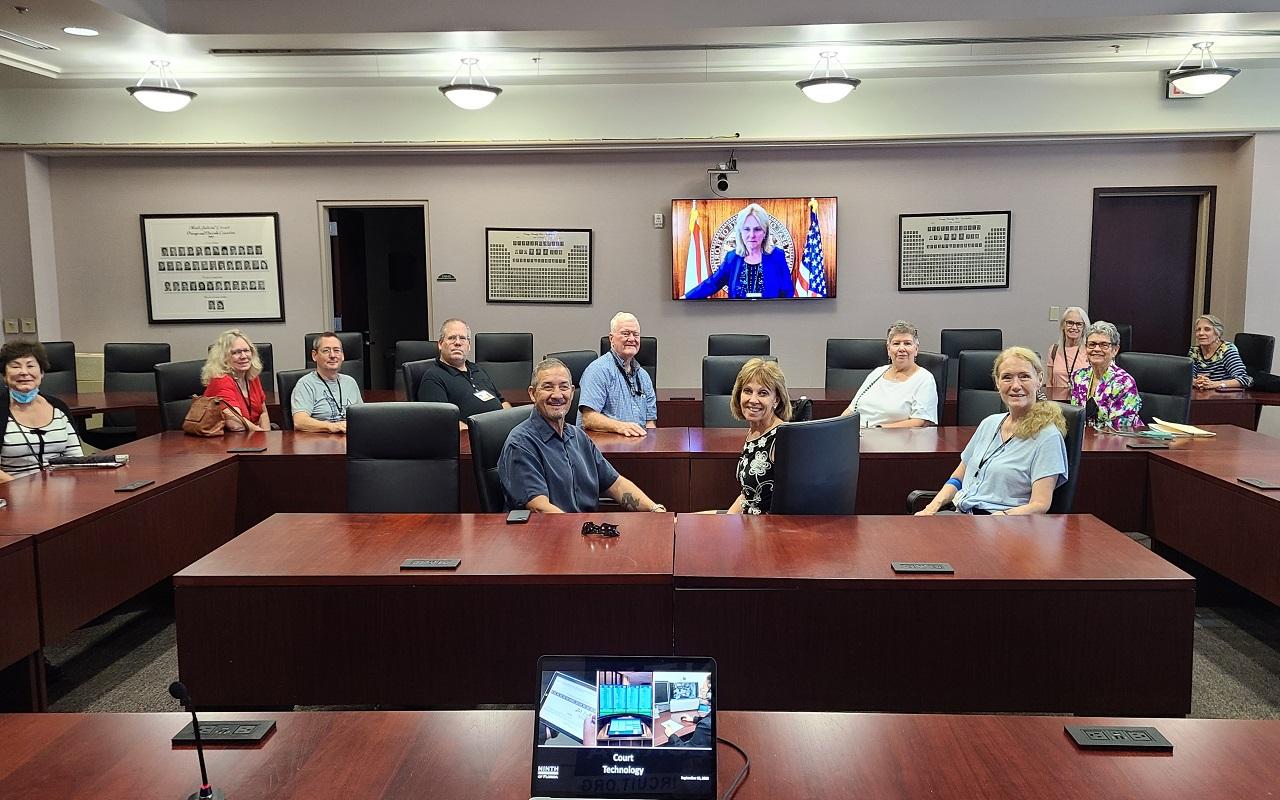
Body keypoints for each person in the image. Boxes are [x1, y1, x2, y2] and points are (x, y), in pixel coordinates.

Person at [499, 358, 666, 513]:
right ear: (532, 393)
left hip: (584, 529)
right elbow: (540, 508)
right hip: (549, 532)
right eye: (548, 387)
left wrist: (655, 510)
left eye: (564, 387)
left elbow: (616, 485)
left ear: (572, 392)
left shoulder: (579, 437)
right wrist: (581, 531)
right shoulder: (521, 443)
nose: (557, 395)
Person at [917, 347, 1067, 515]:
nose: (1015, 386)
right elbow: (958, 479)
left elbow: (1040, 504)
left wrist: (999, 518)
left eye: (1024, 376)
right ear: (997, 383)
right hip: (963, 514)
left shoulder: (1047, 437)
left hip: (1004, 522)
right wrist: (931, 507)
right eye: (1007, 377)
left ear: (1039, 379)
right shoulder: (989, 423)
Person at [0, 341, 83, 481]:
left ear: (42, 372)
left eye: (30, 366)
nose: (24, 372)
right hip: (13, 489)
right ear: (4, 375)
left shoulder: (58, 407)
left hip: (62, 488)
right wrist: (19, 488)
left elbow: (76, 459)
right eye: (15, 366)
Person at [682, 203, 794, 299]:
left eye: (757, 229)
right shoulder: (732, 258)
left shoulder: (777, 256)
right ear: (740, 232)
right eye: (747, 229)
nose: (752, 235)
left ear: (765, 232)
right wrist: (686, 297)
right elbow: (712, 284)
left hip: (770, 314)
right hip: (737, 315)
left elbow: (787, 292)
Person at [840, 320, 938, 428]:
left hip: (889, 436)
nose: (901, 349)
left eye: (907, 343)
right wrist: (837, 428)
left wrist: (877, 430)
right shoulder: (877, 372)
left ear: (916, 349)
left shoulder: (924, 379)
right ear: (888, 349)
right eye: (896, 343)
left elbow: (920, 422)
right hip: (856, 434)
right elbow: (851, 409)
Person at [417, 318, 510, 429]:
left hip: (502, 431)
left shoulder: (477, 369)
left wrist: (512, 423)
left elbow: (502, 402)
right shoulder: (433, 377)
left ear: (469, 346)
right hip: (474, 437)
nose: (457, 343)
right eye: (451, 338)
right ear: (440, 344)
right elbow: (442, 422)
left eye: (462, 338)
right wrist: (480, 433)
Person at [726, 358, 792, 514]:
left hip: (768, 526)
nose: (753, 400)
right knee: (682, 522)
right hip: (747, 517)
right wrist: (726, 521)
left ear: (776, 400)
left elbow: (792, 504)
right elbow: (747, 495)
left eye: (763, 393)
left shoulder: (782, 439)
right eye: (747, 391)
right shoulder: (754, 432)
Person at [579, 311, 657, 436]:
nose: (632, 339)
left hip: (639, 445)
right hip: (606, 445)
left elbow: (650, 423)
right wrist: (621, 427)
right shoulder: (598, 370)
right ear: (611, 339)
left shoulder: (644, 377)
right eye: (625, 334)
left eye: (636, 334)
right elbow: (588, 418)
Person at [1070, 321, 1143, 430]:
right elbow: (1075, 416)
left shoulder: (1125, 382)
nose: (1096, 349)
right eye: (1092, 344)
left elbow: (1120, 427)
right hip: (1084, 437)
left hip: (1118, 438)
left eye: (1104, 345)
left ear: (1115, 350)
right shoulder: (1078, 377)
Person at [290, 331, 364, 433]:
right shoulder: (305, 384)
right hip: (320, 440)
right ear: (314, 355)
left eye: (337, 350)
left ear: (342, 355)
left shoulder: (350, 382)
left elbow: (362, 416)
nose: (332, 355)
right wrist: (331, 427)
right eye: (326, 351)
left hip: (350, 438)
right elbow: (299, 422)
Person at [201, 329, 271, 432]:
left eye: (246, 351)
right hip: (228, 439)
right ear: (223, 357)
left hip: (251, 436)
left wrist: (267, 435)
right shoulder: (220, 381)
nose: (243, 356)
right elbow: (235, 424)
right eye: (236, 352)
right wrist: (260, 433)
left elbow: (263, 413)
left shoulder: (252, 377)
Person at [1189, 314, 1252, 390]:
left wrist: (1215, 384)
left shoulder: (1226, 349)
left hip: (1224, 395)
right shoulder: (1194, 351)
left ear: (1217, 333)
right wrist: (1196, 382)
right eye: (1198, 330)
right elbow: (1187, 377)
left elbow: (1244, 379)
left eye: (1207, 329)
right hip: (1200, 394)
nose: (1201, 333)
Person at [1047, 306, 1090, 389]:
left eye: (1079, 324)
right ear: (1063, 325)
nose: (1074, 327)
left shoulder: (1089, 350)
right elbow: (1049, 382)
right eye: (1070, 323)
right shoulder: (1054, 350)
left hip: (1082, 397)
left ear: (1084, 327)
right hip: (1058, 397)